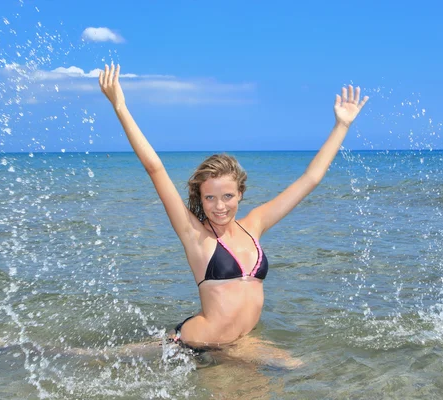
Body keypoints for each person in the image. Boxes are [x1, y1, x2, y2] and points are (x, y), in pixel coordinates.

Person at [99, 63, 368, 355]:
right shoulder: (196, 235)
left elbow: (310, 179)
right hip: (195, 345)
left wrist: (342, 125)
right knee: (97, 361)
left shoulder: (255, 225)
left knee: (299, 374)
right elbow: (155, 168)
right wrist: (120, 106)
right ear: (200, 200)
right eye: (209, 198)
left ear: (240, 193)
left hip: (240, 344)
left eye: (227, 196)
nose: (219, 206)